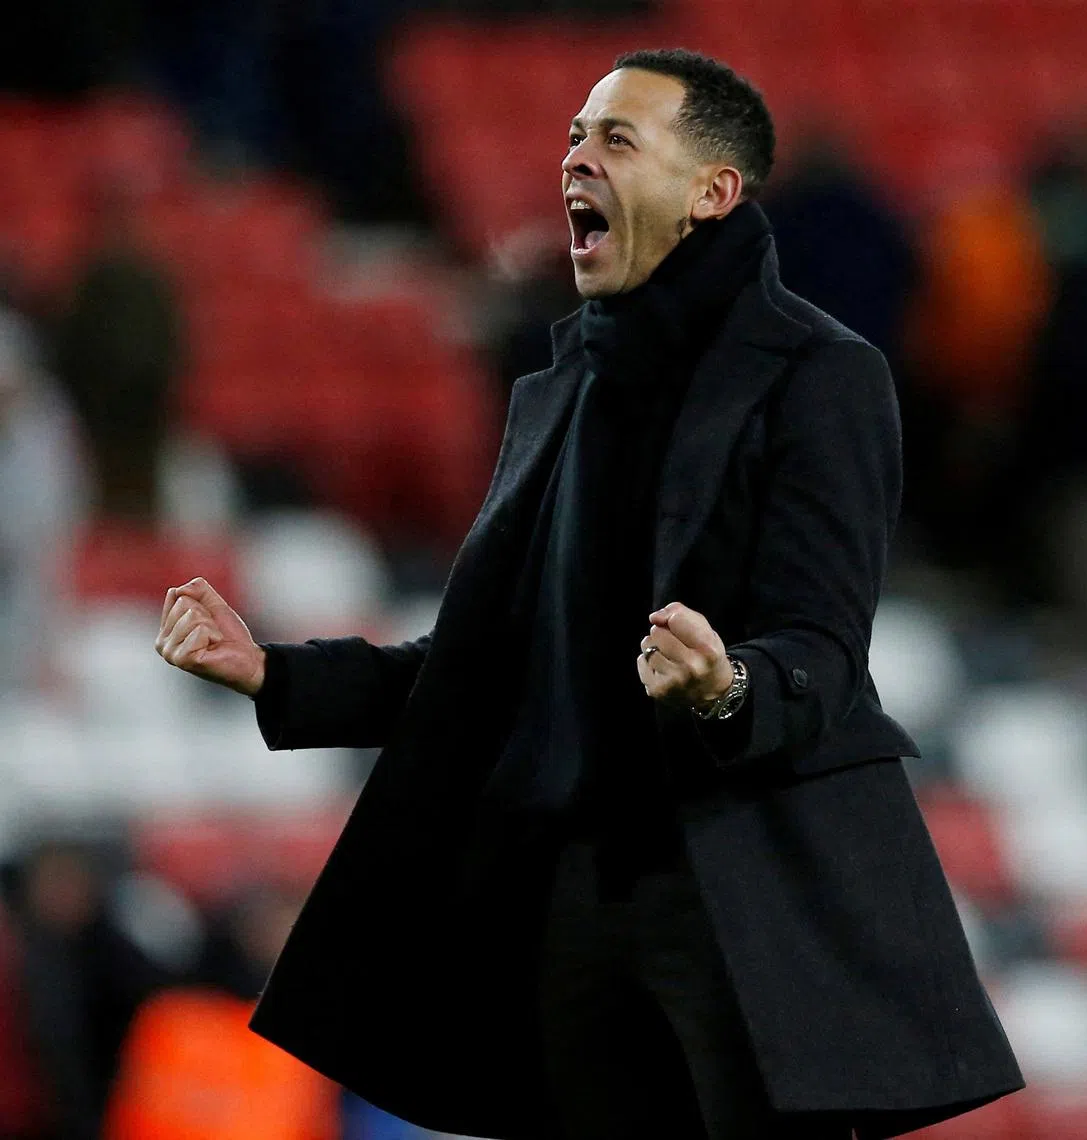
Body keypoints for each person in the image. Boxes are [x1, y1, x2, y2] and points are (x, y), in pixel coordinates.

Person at [156, 49, 1023, 1140]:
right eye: (573, 135)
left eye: (617, 138)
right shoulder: (560, 388)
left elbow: (824, 648)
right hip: (572, 900)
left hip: (742, 899)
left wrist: (727, 683)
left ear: (713, 193)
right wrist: (276, 673)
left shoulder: (820, 373)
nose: (576, 156)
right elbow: (480, 666)